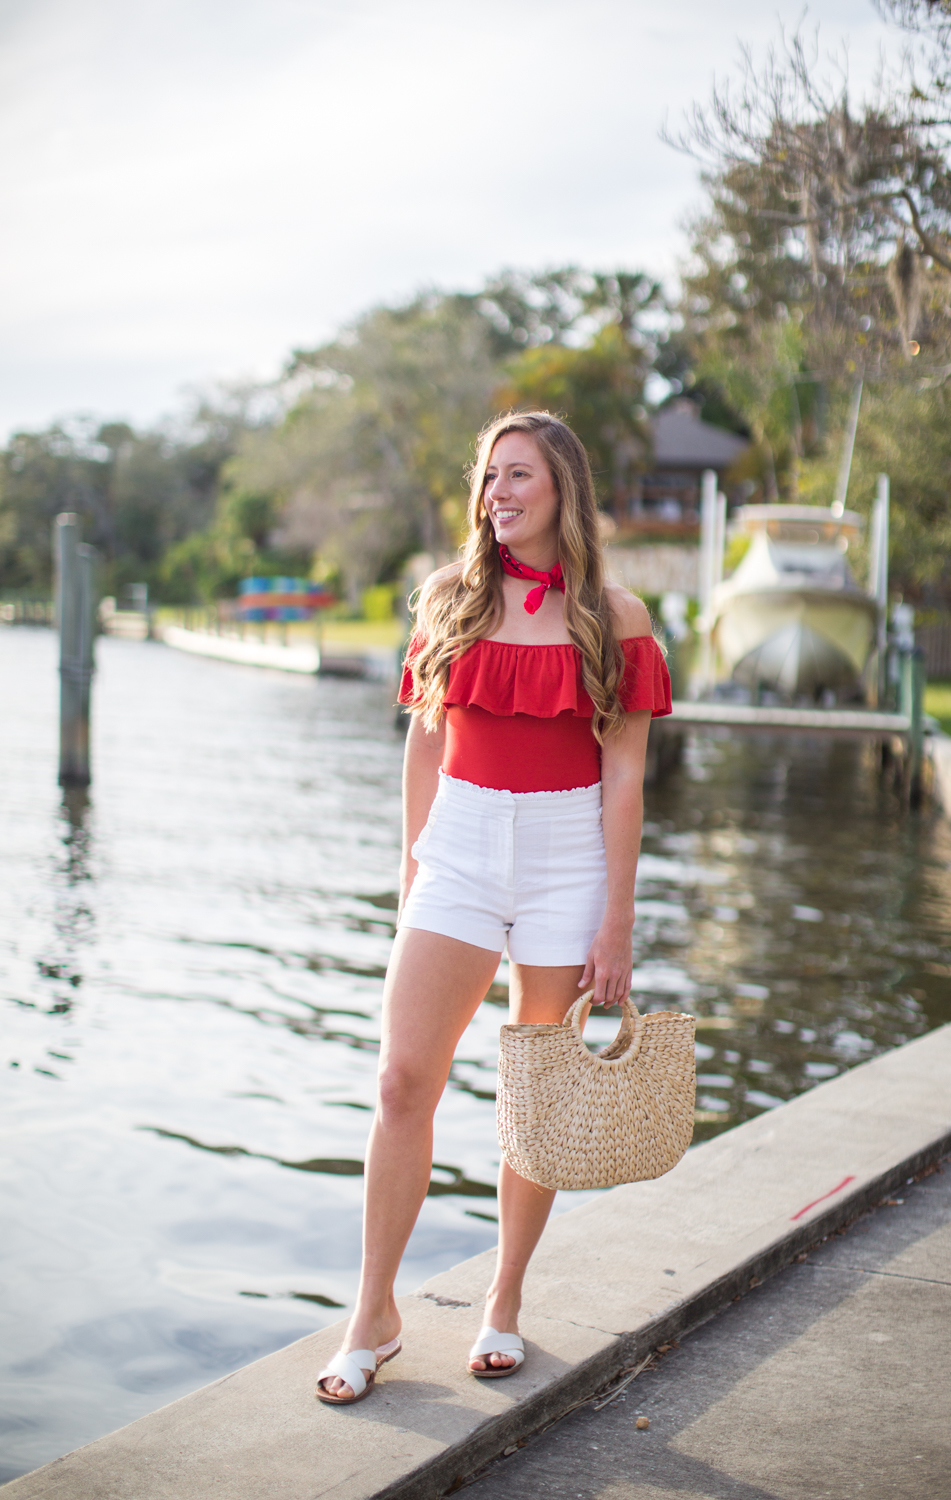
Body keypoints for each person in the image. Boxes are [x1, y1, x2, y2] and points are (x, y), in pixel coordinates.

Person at [316, 411, 671, 1404]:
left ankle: (503, 1302)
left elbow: (626, 779)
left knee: (536, 1097)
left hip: (568, 857)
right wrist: (410, 873)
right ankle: (373, 1315)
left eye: (517, 476)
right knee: (400, 1082)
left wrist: (616, 923)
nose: (497, 495)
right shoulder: (449, 599)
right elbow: (425, 744)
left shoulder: (617, 616)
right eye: (487, 478)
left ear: (563, 488)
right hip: (460, 849)